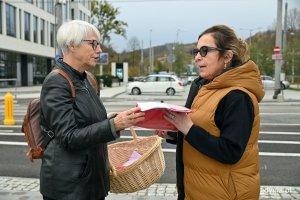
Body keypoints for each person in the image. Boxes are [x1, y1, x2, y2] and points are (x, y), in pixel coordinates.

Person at [156, 25, 265, 200]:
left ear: (227, 56)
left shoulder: (238, 97)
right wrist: (174, 133)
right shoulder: (205, 87)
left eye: (205, 51)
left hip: (224, 194)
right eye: (196, 51)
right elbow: (205, 131)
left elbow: (230, 151)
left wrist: (188, 128)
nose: (198, 57)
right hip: (197, 190)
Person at [39, 20, 145, 200]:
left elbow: (87, 122)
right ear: (72, 45)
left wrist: (114, 119)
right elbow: (68, 137)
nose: (99, 50)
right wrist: (114, 125)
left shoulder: (86, 79)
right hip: (69, 189)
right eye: (93, 44)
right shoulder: (57, 82)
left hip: (90, 182)